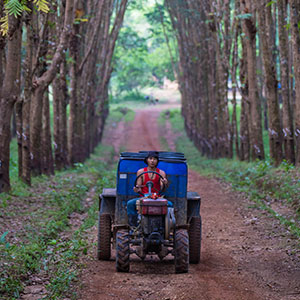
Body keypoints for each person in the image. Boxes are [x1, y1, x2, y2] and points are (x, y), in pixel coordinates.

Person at [127, 151, 171, 227]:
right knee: (130, 204)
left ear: (157, 161)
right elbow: (139, 187)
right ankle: (134, 226)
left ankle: (165, 226)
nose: (152, 161)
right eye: (150, 159)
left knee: (170, 205)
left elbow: (162, 187)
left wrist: (165, 182)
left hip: (157, 198)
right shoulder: (141, 172)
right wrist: (136, 189)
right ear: (147, 160)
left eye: (154, 159)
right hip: (144, 197)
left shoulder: (161, 173)